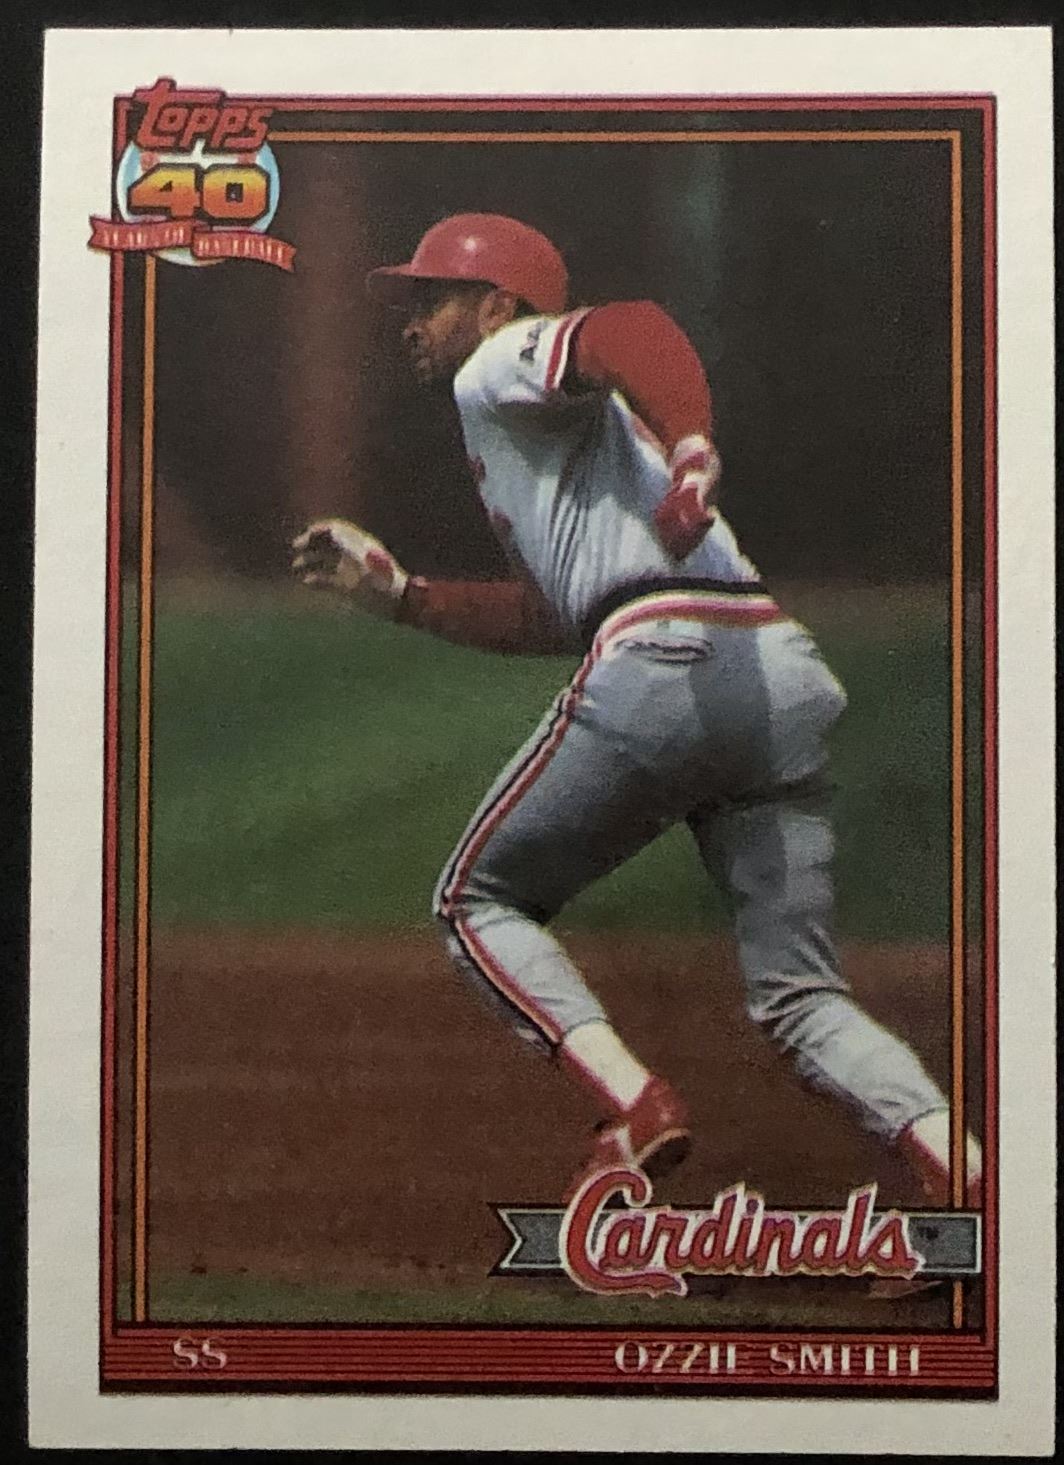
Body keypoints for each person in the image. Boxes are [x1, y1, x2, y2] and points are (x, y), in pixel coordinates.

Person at [292, 212, 981, 1210]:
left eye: (431, 297)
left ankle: (634, 1108)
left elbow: (632, 328)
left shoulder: (498, 365)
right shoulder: (558, 444)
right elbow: (554, 615)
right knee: (799, 996)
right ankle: (958, 1176)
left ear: (496, 307)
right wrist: (406, 598)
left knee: (475, 901)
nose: (411, 319)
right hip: (773, 673)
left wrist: (695, 446)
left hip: (666, 660)